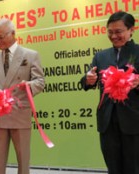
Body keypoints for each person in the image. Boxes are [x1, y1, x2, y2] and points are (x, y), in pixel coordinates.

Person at [0, 18, 45, 174]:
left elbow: (40, 81)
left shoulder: (30, 55)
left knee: (23, 160)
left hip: (19, 114)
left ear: (13, 34)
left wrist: (28, 85)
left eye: (1, 37)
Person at [80, 11, 139, 174]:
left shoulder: (138, 52)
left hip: (133, 121)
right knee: (113, 167)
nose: (114, 36)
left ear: (131, 30)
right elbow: (86, 81)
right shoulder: (101, 56)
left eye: (118, 32)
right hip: (107, 120)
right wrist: (88, 79)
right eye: (110, 32)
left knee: (133, 167)